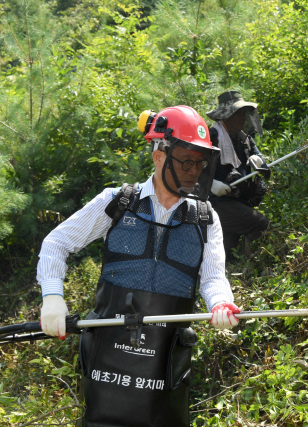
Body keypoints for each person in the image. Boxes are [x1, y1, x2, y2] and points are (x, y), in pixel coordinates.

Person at [37, 106, 241, 427]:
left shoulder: (205, 218)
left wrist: (220, 304)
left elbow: (213, 278)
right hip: (108, 354)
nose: (194, 171)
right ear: (159, 156)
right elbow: (56, 244)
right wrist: (52, 297)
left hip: (165, 361)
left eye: (200, 163)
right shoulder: (117, 202)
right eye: (186, 160)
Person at [206, 90, 271, 262]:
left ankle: (245, 278)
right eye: (237, 113)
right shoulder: (211, 138)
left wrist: (259, 161)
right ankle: (255, 267)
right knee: (260, 224)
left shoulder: (245, 140)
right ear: (226, 116)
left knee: (228, 255)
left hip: (237, 201)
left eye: (244, 113)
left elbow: (263, 165)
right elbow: (193, 169)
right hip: (215, 204)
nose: (242, 117)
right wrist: (211, 184)